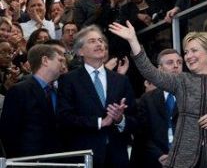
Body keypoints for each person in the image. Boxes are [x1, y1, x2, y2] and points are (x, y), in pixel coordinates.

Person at [109, 21, 207, 168]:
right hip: (185, 160)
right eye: (186, 52)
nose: (188, 56)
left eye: (194, 50)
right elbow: (150, 72)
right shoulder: (181, 81)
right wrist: (133, 41)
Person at [57, 25, 137, 167]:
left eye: (101, 40)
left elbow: (135, 118)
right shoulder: (69, 80)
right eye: (92, 41)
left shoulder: (120, 80)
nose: (99, 44)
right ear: (80, 51)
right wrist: (100, 122)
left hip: (117, 157)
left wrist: (120, 119)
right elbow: (64, 118)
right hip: (85, 157)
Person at [0, 44, 65, 157]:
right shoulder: (19, 91)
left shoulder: (60, 91)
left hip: (59, 159)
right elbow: (8, 133)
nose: (63, 66)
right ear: (45, 60)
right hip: (28, 161)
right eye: (59, 60)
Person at [130, 48, 183, 168]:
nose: (176, 66)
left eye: (179, 62)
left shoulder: (191, 96)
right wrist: (158, 155)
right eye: (170, 62)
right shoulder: (147, 99)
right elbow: (141, 135)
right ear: (159, 68)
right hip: (154, 161)